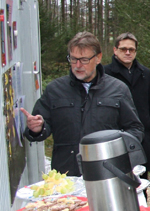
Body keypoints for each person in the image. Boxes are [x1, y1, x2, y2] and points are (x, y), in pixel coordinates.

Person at [22, 32, 143, 176]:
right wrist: (37, 129)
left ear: (98, 58)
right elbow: (40, 128)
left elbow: (135, 129)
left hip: (106, 174)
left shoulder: (118, 89)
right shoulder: (55, 90)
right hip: (66, 175)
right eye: (73, 59)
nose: (78, 65)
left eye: (84, 60)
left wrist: (115, 148)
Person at [104, 33, 150, 178]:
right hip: (114, 139)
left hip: (142, 139)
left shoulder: (144, 73)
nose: (128, 52)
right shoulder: (105, 74)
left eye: (131, 49)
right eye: (123, 49)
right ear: (115, 50)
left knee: (141, 184)